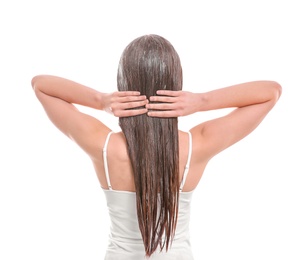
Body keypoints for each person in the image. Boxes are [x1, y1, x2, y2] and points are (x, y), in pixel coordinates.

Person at [31, 34, 282, 259]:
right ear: (175, 81)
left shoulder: (106, 146)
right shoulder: (197, 144)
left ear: (124, 82)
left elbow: (40, 84)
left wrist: (100, 101)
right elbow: (271, 92)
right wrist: (201, 101)